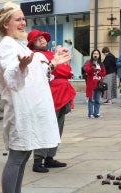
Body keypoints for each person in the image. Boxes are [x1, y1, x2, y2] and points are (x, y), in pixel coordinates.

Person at [0, 2, 71, 193]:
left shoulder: (19, 45)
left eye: (23, 18)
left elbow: (35, 70)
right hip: (19, 110)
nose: (23, 22)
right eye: (18, 19)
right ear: (6, 24)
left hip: (27, 109)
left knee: (24, 154)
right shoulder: (7, 46)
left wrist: (52, 63)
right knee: (17, 156)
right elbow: (10, 75)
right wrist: (20, 67)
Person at [27, 29, 76, 173]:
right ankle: (38, 160)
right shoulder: (37, 56)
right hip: (49, 96)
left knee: (57, 128)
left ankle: (49, 157)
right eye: (38, 39)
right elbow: (61, 71)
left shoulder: (50, 55)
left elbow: (67, 71)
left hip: (61, 95)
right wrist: (62, 66)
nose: (42, 40)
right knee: (45, 127)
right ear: (32, 43)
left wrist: (62, 66)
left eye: (43, 38)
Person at [85, 49, 106, 118]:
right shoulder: (89, 63)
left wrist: (98, 72)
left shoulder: (101, 64)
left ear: (99, 55)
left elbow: (104, 73)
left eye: (97, 54)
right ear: (92, 55)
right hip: (91, 83)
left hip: (98, 84)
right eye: (94, 53)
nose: (96, 55)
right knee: (91, 99)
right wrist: (93, 68)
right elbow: (87, 71)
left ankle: (96, 113)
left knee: (97, 100)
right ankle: (90, 113)